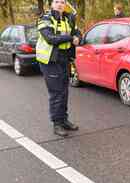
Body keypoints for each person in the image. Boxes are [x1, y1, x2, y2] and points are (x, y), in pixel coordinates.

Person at [36, 0, 81, 137]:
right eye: (57, 1)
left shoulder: (69, 18)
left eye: (62, 1)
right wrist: (70, 37)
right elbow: (50, 38)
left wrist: (78, 37)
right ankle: (57, 124)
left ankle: (64, 120)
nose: (60, 4)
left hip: (64, 58)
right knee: (56, 92)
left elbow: (77, 32)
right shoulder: (45, 18)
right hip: (49, 60)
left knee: (64, 91)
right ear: (51, 4)